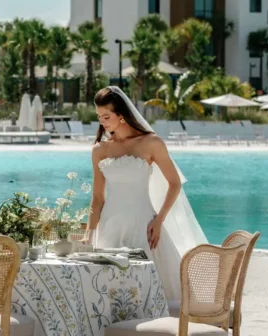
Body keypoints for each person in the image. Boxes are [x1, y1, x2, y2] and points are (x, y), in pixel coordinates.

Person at [86, 86, 206, 302]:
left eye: (106, 116)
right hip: (110, 227)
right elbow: (97, 198)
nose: (102, 122)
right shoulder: (99, 150)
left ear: (121, 116)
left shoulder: (151, 143)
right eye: (99, 117)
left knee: (154, 293)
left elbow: (174, 184)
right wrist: (88, 234)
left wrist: (159, 221)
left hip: (144, 226)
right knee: (109, 293)